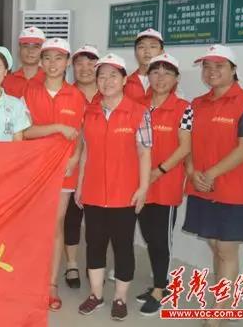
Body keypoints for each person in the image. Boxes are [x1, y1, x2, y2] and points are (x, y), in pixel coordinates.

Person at [183, 45, 243, 327]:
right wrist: (191, 170)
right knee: (216, 246)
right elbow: (186, 142)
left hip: (234, 190)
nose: (211, 71)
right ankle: (223, 300)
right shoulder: (195, 104)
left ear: (233, 69)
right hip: (202, 188)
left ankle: (219, 311)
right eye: (207, 66)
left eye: (219, 66)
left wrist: (211, 173)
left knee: (226, 249)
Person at [75, 54, 152, 321]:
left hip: (125, 193)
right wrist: (80, 186)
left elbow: (144, 152)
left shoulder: (139, 112)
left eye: (113, 76)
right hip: (94, 192)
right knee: (94, 245)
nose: (107, 81)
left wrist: (143, 187)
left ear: (124, 79)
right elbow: (86, 152)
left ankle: (120, 298)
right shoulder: (90, 112)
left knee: (123, 247)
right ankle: (96, 295)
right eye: (102, 76)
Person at [23, 38, 86, 311]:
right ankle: (30, 279)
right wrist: (58, 127)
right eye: (47, 58)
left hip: (64, 169)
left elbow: (80, 134)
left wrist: (75, 157)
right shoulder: (29, 92)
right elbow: (25, 131)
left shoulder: (76, 96)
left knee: (55, 224)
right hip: (34, 169)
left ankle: (50, 284)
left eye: (58, 58)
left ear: (67, 62)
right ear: (40, 61)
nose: (52, 64)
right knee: (33, 224)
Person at [135, 53, 192, 316]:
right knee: (148, 236)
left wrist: (158, 171)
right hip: (140, 184)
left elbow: (185, 147)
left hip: (165, 185)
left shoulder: (184, 108)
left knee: (160, 240)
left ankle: (160, 289)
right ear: (148, 76)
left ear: (176, 78)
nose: (160, 78)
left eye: (167, 73)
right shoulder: (138, 105)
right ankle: (159, 283)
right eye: (155, 72)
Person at [63, 44, 101, 290]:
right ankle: (72, 263)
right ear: (72, 66)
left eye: (91, 64)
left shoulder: (108, 93)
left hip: (101, 166)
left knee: (99, 221)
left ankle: (96, 265)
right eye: (80, 63)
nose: (85, 68)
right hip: (73, 164)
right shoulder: (67, 94)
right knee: (72, 217)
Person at [2, 26, 46, 97]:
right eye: (26, 46)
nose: (30, 51)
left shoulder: (50, 80)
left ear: (43, 50)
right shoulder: (6, 81)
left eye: (36, 47)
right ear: (19, 49)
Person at [124, 28, 165, 102]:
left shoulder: (168, 83)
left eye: (153, 46)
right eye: (141, 47)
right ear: (135, 52)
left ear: (162, 52)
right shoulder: (124, 83)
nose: (147, 51)